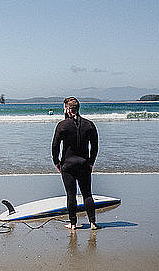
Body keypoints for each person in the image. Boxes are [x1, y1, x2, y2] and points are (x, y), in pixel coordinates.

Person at [52, 97, 100, 230]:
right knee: (87, 194)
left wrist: (56, 162)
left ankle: (73, 224)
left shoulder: (62, 125)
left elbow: (55, 146)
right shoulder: (89, 124)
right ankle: (93, 223)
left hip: (68, 165)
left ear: (67, 108)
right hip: (84, 164)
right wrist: (91, 162)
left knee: (71, 195)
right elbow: (95, 147)